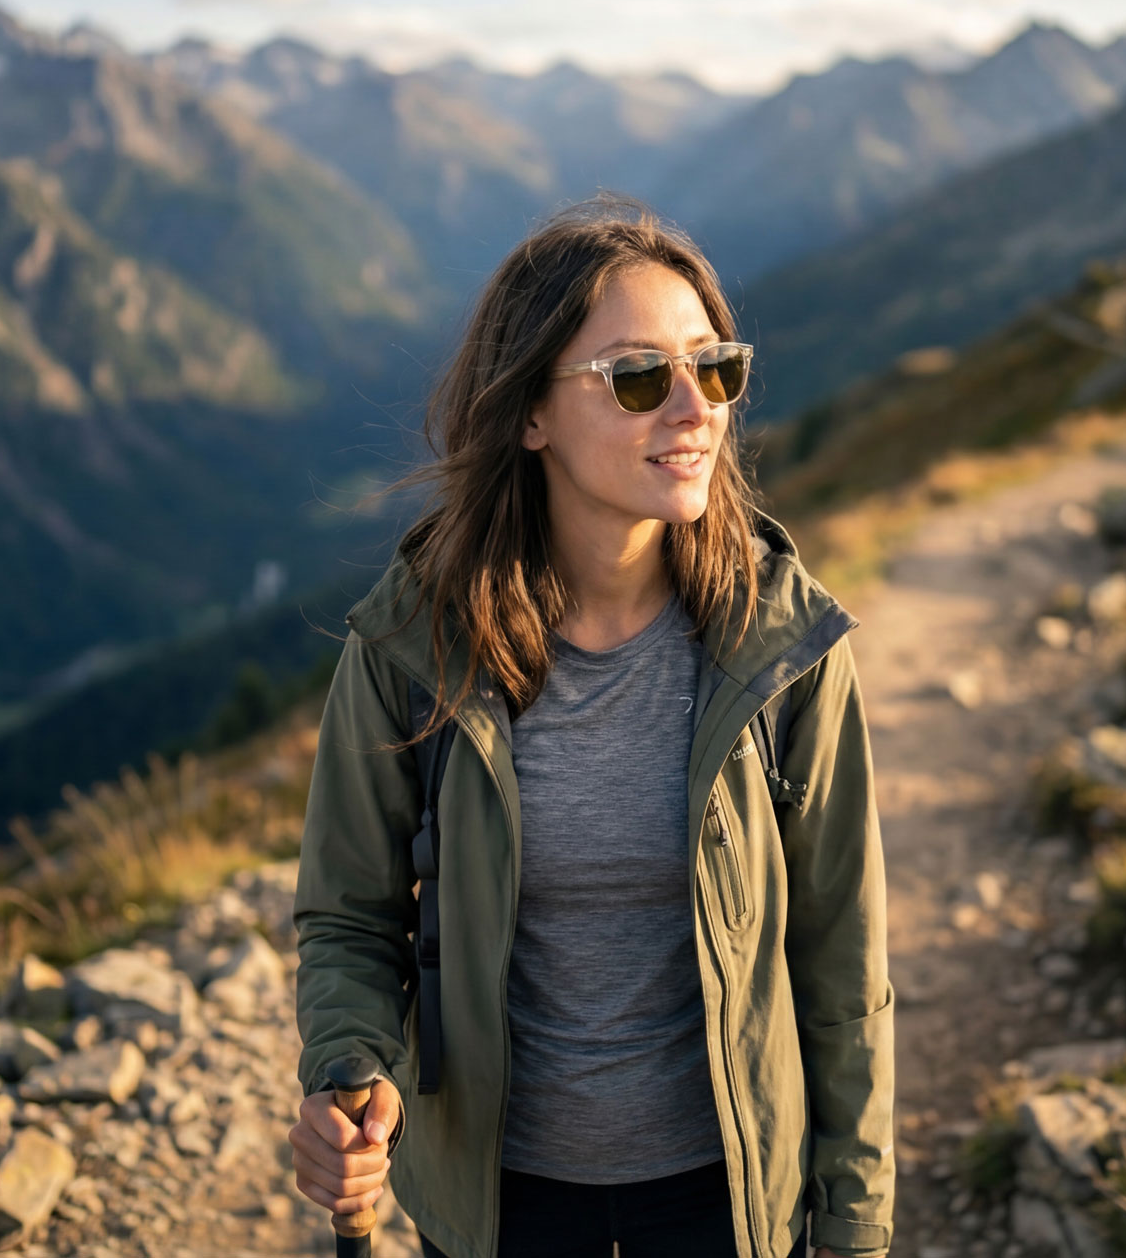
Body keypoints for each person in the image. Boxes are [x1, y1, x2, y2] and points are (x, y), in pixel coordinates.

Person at [288, 194, 895, 1258]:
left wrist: (853, 1225)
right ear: (529, 412)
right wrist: (349, 1066)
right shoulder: (407, 649)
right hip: (500, 1200)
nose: (695, 408)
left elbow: (842, 966)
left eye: (715, 367)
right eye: (638, 377)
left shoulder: (787, 651)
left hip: (731, 1194)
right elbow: (349, 915)